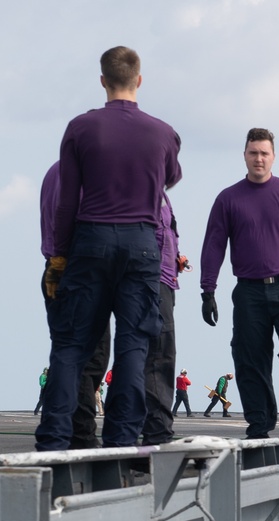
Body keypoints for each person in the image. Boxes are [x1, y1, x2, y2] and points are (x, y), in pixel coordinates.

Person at [35, 46, 182, 451]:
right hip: (141, 242)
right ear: (139, 80)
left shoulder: (80, 128)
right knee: (134, 345)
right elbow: (170, 179)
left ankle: (54, 440)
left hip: (91, 239)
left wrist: (59, 256)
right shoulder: (162, 132)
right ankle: (121, 440)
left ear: (102, 81)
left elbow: (66, 202)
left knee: (71, 345)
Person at [200, 128, 279, 439]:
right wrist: (208, 289)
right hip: (248, 290)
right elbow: (214, 244)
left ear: (273, 157)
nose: (258, 158)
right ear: (244, 155)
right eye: (253, 152)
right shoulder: (228, 199)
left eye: (264, 153)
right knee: (250, 359)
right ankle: (259, 424)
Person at [38, 161, 112, 448]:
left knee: (67, 353)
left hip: (55, 269)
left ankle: (56, 429)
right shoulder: (85, 174)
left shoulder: (53, 171)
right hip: (80, 269)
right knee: (90, 357)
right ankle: (80, 435)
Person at [141, 192, 183, 445]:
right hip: (150, 279)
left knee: (157, 355)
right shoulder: (140, 182)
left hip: (165, 279)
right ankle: (157, 434)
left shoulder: (162, 194)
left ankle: (151, 431)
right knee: (158, 356)